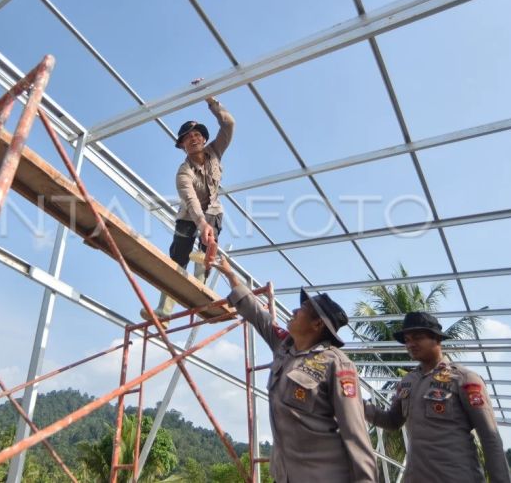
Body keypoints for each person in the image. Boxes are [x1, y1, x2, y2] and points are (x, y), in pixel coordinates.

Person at [214, 256, 377, 483]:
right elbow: (257, 315)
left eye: (302, 309)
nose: (293, 311)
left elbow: (355, 432)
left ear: (317, 324)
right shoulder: (284, 346)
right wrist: (230, 274)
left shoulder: (336, 364)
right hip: (287, 475)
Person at [363, 312, 511, 483]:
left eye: (417, 337)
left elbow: (489, 436)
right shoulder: (407, 382)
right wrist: (356, 404)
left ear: (437, 339)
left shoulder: (464, 379)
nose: (410, 344)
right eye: (407, 339)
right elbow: (392, 421)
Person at [142, 92, 234, 325]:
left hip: (213, 212)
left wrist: (212, 102)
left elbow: (229, 124)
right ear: (182, 146)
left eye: (196, 135)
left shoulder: (215, 152)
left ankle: (199, 295)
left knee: (205, 254)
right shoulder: (183, 173)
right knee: (178, 257)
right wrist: (201, 224)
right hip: (189, 216)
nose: (193, 139)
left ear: (203, 139)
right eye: (187, 138)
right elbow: (191, 201)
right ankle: (164, 313)